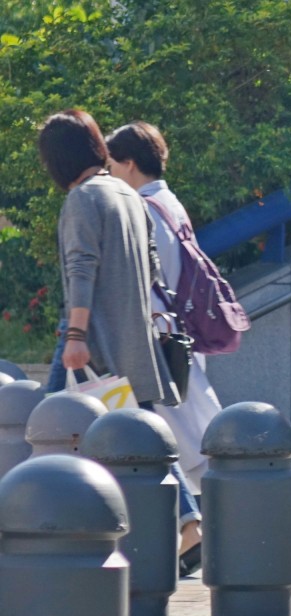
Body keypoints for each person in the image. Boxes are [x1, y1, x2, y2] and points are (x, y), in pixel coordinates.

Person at [37, 109, 203, 576]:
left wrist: (74, 334)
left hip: (90, 345)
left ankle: (35, 537)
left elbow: (81, 268)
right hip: (135, 345)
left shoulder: (83, 199)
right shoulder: (128, 196)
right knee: (144, 440)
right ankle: (190, 524)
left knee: (44, 431)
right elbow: (151, 270)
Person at [105, 121, 223, 575]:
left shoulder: (142, 207)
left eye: (112, 164)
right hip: (176, 335)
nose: (109, 173)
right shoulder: (168, 203)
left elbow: (144, 281)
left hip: (154, 341)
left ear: (129, 164)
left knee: (160, 439)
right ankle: (194, 529)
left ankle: (193, 527)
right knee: (182, 438)